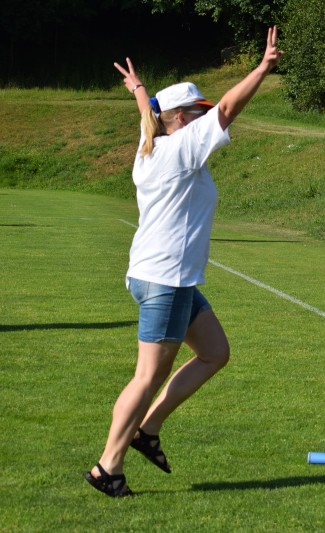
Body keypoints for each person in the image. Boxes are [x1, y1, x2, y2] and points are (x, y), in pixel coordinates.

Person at [84, 27, 282, 497]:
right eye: (198, 112)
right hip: (166, 279)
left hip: (161, 276)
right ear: (178, 118)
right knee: (147, 376)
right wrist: (262, 69)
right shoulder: (181, 149)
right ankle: (107, 467)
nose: (207, 118)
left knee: (215, 352)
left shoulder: (151, 144)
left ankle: (147, 430)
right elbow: (229, 108)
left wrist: (138, 89)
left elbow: (148, 113)